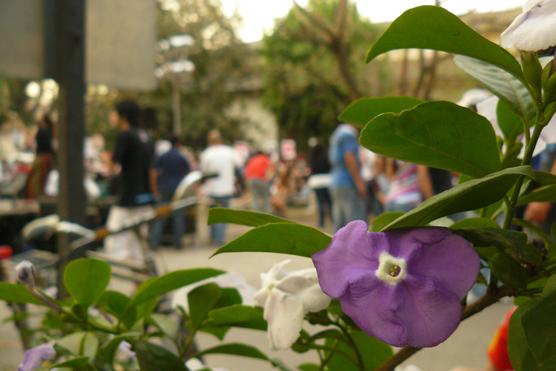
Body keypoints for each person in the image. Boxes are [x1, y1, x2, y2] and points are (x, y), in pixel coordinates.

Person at [104, 100, 155, 261]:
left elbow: (112, 166)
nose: (111, 116)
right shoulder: (146, 136)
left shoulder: (125, 136)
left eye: (114, 113)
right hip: (145, 198)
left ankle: (133, 280)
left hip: (127, 199)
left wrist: (104, 158)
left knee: (114, 242)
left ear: (122, 116)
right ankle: (140, 284)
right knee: (139, 245)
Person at [200, 129, 240, 245]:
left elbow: (203, 172)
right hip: (226, 189)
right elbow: (239, 165)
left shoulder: (206, 153)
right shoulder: (229, 151)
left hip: (212, 190)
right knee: (224, 216)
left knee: (213, 216)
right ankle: (220, 239)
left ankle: (214, 238)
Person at [150, 136, 191, 249]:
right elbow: (188, 176)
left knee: (160, 216)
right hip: (178, 191)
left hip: (164, 189)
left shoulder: (163, 156)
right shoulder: (182, 158)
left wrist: (154, 189)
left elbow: (154, 173)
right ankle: (178, 244)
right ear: (179, 144)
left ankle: (154, 243)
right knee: (178, 217)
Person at [328, 123, 367, 231]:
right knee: (354, 223)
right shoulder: (348, 135)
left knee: (339, 221)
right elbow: (349, 157)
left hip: (336, 181)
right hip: (347, 182)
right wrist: (359, 182)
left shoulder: (336, 135)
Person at [27, 114, 55, 198]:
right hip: (44, 156)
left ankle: (35, 196)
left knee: (39, 179)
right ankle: (36, 195)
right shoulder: (48, 131)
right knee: (40, 179)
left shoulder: (43, 131)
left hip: (43, 156)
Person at [308, 138, 332, 228]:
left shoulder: (311, 157)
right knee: (329, 202)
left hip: (316, 181)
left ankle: (321, 222)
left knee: (320, 202)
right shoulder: (325, 155)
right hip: (327, 180)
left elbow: (311, 168)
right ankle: (332, 219)